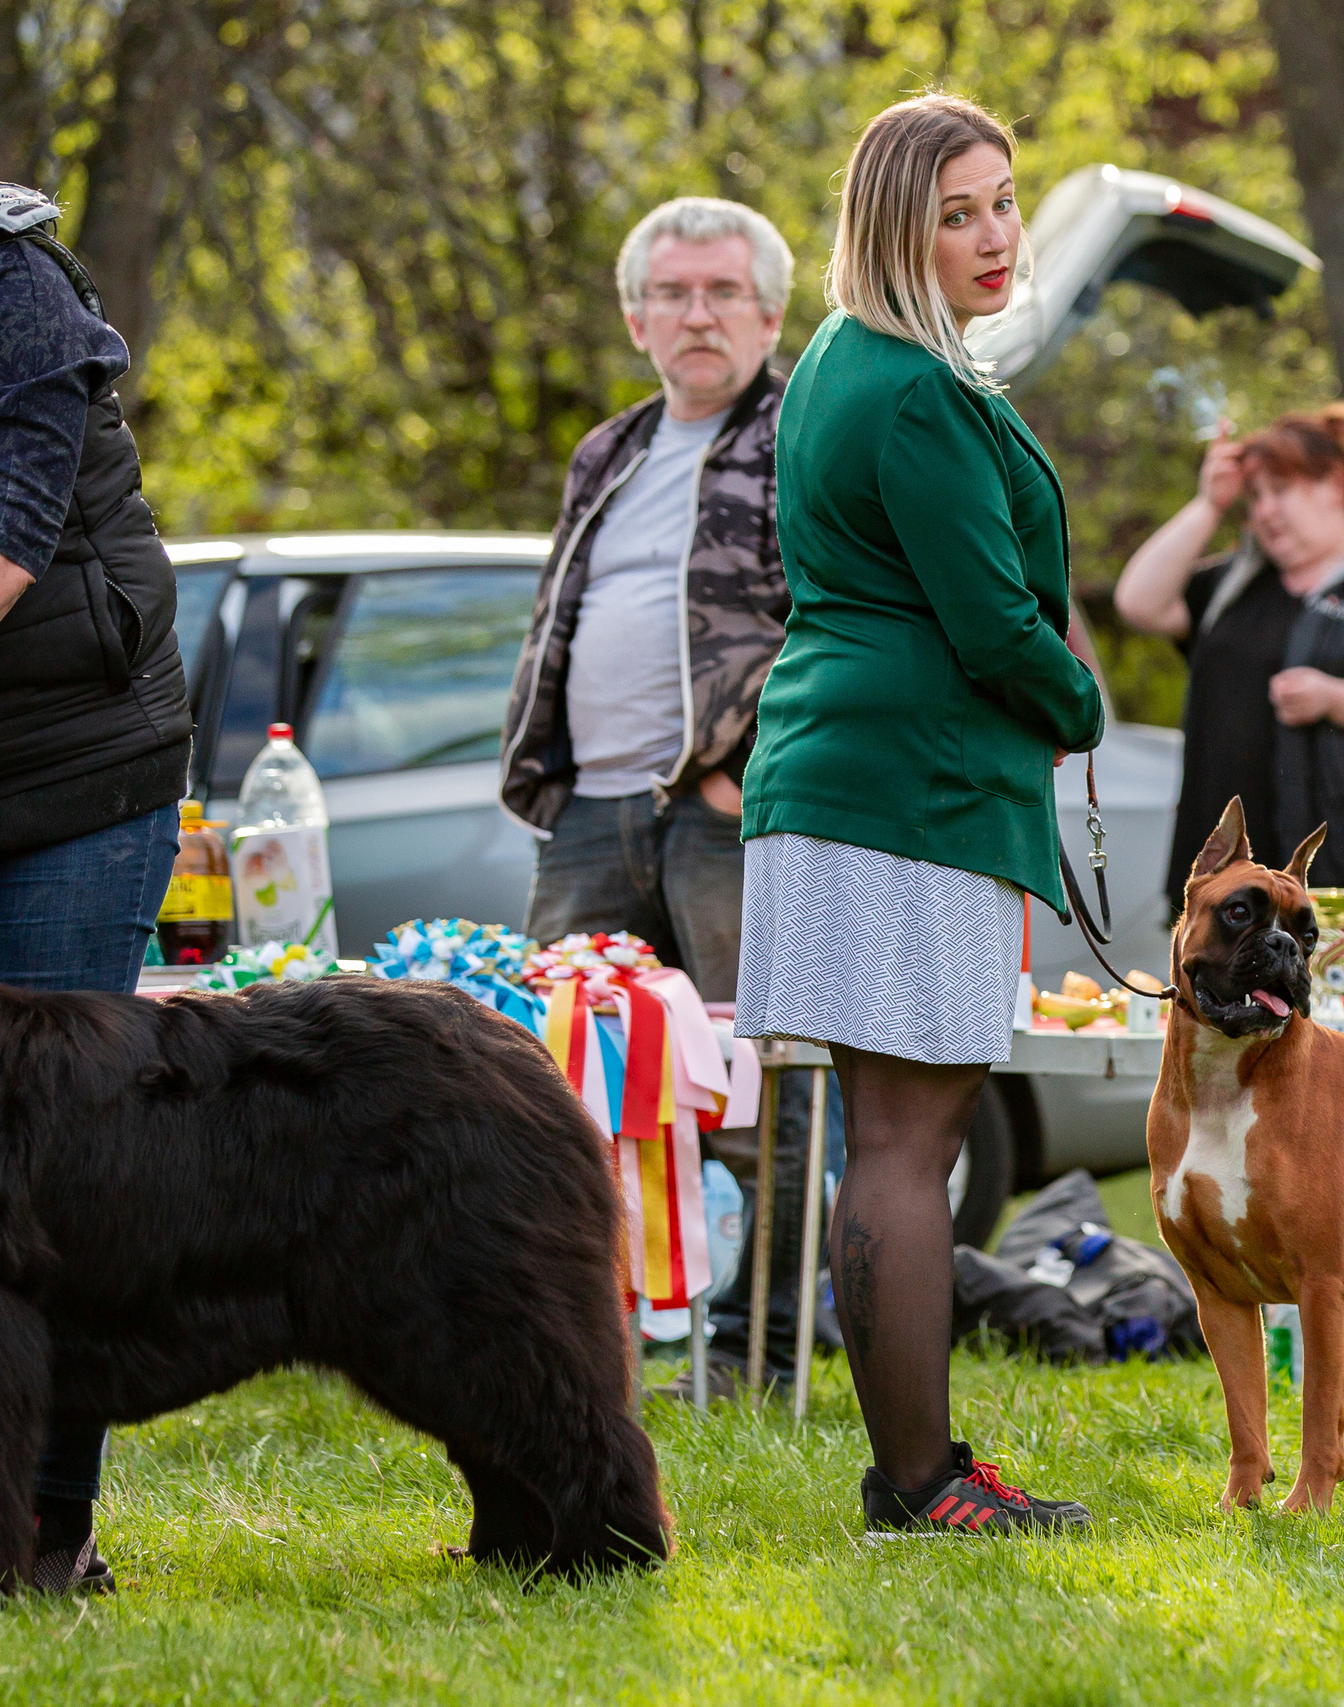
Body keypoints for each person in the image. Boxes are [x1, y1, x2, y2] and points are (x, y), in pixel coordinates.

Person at [737, 93, 1105, 1534]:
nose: (996, 234)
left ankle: (919, 1471)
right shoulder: (914, 389)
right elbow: (995, 623)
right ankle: (921, 1484)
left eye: (1004, 200)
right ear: (896, 230)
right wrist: (1078, 706)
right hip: (908, 785)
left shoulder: (842, 358)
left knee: (888, 1138)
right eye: (958, 214)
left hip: (847, 771)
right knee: (904, 1144)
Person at [494, 196, 818, 1398]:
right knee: (552, 1087)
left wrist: (750, 770)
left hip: (726, 816)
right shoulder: (608, 448)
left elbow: (840, 618)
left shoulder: (807, 434)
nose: (698, 314)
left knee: (756, 1093)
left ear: (770, 315)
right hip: (590, 812)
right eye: (673, 294)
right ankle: (572, 1354)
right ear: (637, 319)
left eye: (723, 292)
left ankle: (754, 1356)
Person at [0, 179, 195, 1593]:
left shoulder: (5, 280)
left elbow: (0, 541)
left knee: (52, 1166)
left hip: (71, 779)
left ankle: (47, 1534)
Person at [1113, 404, 1344, 918]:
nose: (1263, 512)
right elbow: (1138, 604)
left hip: (1343, 893)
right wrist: (1210, 504)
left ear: (1335, 484)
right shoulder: (1233, 586)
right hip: (1218, 890)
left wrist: (1334, 699)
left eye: (1280, 490)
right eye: (1254, 498)